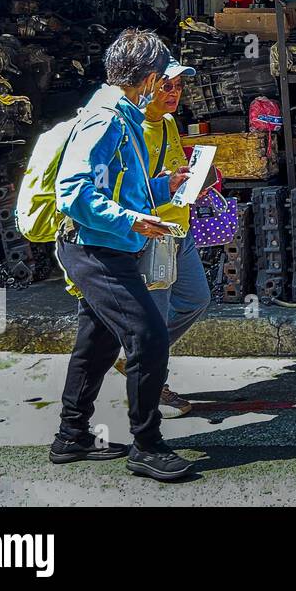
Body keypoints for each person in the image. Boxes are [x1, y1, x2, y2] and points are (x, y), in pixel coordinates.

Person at [50, 28, 195, 482]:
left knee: (97, 343)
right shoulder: (108, 119)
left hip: (104, 244)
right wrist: (131, 221)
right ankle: (147, 446)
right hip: (96, 248)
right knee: (148, 337)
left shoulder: (121, 114)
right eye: (161, 76)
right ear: (150, 76)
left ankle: (71, 437)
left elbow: (120, 187)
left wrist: (160, 188)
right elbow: (72, 192)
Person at [112, 60, 212, 416]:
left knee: (196, 299)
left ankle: (139, 358)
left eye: (179, 87)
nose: (174, 94)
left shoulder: (169, 124)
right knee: (155, 315)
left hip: (177, 230)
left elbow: (169, 173)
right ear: (149, 84)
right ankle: (152, 390)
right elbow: (127, 191)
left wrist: (188, 184)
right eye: (167, 86)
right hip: (154, 234)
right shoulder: (131, 129)